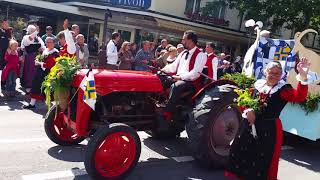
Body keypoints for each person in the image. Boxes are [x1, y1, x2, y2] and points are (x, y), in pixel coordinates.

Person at [225, 59, 310, 180]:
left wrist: (303, 75)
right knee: (242, 154)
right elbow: (244, 100)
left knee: (261, 160)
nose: (274, 76)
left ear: (281, 76)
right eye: (271, 72)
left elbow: (299, 96)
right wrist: (247, 111)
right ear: (266, 72)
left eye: (277, 74)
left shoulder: (283, 90)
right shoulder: (257, 85)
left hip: (268, 130)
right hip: (249, 126)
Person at [160, 30, 207, 125]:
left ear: (190, 41)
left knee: (176, 86)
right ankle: (157, 104)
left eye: (184, 39)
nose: (182, 42)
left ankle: (167, 113)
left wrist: (180, 77)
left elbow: (195, 74)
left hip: (191, 82)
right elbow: (173, 66)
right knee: (160, 80)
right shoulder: (183, 53)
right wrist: (162, 70)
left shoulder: (201, 55)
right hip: (178, 78)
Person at [22, 37, 59, 109]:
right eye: (47, 42)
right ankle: (32, 104)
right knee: (35, 87)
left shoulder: (55, 53)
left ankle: (52, 108)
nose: (48, 44)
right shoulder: (45, 51)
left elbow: (50, 65)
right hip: (40, 72)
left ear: (54, 43)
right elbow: (40, 57)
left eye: (50, 42)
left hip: (49, 73)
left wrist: (39, 63)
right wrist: (37, 60)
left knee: (48, 90)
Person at [21, 24, 45, 92]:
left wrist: (41, 48)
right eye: (33, 31)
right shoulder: (26, 37)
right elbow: (24, 46)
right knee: (29, 71)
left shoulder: (38, 38)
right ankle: (28, 86)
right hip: (29, 56)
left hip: (37, 56)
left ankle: (35, 85)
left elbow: (43, 46)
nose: (35, 32)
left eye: (35, 31)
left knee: (36, 71)